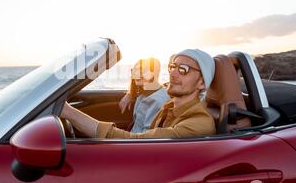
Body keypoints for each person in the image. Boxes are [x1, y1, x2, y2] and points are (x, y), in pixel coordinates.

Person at [61, 49, 216, 139]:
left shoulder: (198, 124)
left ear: (202, 83)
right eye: (172, 67)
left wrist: (68, 112)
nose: (173, 73)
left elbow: (138, 142)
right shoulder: (169, 107)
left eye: (183, 69)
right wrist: (131, 93)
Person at [118, 58, 170, 133]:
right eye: (134, 70)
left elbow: (146, 137)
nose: (136, 74)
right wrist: (130, 94)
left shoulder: (157, 101)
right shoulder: (144, 94)